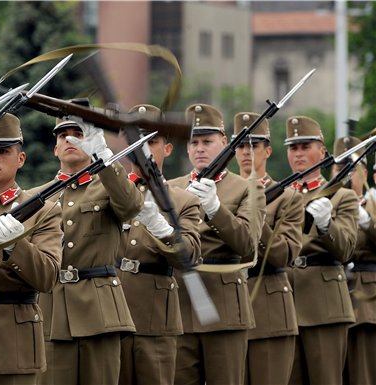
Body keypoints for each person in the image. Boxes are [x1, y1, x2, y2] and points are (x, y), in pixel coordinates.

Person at [36, 114, 143, 385]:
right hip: (53, 313)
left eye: (79, 134)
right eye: (63, 135)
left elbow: (131, 206)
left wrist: (104, 158)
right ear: (55, 148)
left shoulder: (108, 186)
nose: (70, 139)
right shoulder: (38, 196)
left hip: (100, 311)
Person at [167, 103, 265, 385]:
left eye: (207, 141)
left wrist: (215, 208)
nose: (200, 148)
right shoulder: (171, 188)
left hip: (224, 306)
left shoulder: (247, 187)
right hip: (180, 307)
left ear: (225, 143)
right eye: (194, 142)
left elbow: (247, 244)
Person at [0, 111, 62, 385]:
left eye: (2, 150)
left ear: (20, 159)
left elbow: (47, 278)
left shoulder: (45, 211)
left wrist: (15, 247)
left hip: (13, 343)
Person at [117, 104, 201, 385]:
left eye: (151, 141)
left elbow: (188, 256)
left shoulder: (183, 201)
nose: (142, 148)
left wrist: (163, 229)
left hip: (154, 320)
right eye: (136, 140)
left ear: (167, 148)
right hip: (110, 314)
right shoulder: (107, 195)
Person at [283, 117, 357, 385]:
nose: (299, 154)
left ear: (323, 151)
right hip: (285, 305)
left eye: (305, 146)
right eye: (293, 148)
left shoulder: (341, 196)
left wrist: (327, 225)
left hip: (324, 304)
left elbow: (347, 249)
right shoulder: (281, 196)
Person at [232, 112, 302, 384]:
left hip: (269, 309)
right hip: (229, 306)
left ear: (268, 151)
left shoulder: (288, 197)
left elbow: (283, 254)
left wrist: (257, 215)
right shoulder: (221, 195)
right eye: (240, 146)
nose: (246, 152)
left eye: (254, 145)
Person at [331, 136, 376, 385]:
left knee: (363, 374)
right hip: (330, 299)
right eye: (340, 168)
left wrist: (368, 221)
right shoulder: (325, 206)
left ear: (365, 171)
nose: (346, 174)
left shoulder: (373, 204)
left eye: (352, 167)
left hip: (365, 301)